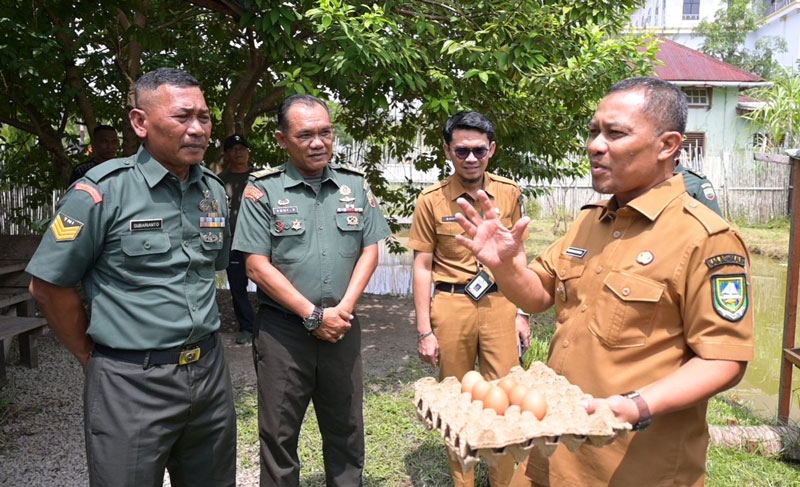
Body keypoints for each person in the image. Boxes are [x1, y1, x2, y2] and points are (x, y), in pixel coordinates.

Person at [452, 77, 754, 487]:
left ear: (667, 145)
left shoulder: (705, 238)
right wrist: (504, 266)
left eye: (615, 133)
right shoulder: (590, 221)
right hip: (551, 453)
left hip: (631, 468)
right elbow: (538, 294)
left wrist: (637, 406)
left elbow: (724, 359)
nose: (595, 145)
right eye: (594, 131)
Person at [26, 67, 236, 487]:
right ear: (140, 122)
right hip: (129, 383)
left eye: (205, 117)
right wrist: (93, 357)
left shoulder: (213, 190)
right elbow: (48, 286)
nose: (197, 129)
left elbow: (208, 270)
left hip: (209, 374)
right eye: (182, 117)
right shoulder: (101, 192)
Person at [232, 94, 391, 486]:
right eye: (305, 135)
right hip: (285, 332)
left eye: (325, 132)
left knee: (346, 428)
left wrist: (342, 310)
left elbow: (370, 249)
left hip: (342, 324)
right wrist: (312, 314)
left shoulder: (354, 184)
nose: (318, 142)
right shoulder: (262, 190)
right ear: (282, 139)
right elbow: (256, 264)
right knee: (279, 434)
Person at [408, 111, 530, 487]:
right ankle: (464, 480)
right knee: (457, 398)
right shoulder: (431, 200)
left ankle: (503, 479)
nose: (471, 158)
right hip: (451, 305)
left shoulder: (509, 193)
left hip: (500, 304)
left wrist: (522, 309)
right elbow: (422, 265)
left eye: (479, 149)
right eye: (462, 150)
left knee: (506, 395)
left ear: (491, 149)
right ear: (448, 150)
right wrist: (425, 330)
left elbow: (518, 253)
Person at [220, 134, 256, 344]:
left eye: (243, 148)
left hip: (260, 242)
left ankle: (268, 328)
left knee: (267, 286)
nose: (239, 152)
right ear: (226, 153)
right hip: (232, 242)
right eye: (233, 148)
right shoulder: (220, 181)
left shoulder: (260, 179)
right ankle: (247, 328)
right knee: (237, 288)